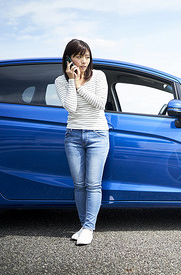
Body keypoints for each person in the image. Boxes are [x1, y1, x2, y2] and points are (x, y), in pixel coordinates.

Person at [55, 39, 109, 245]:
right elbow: (71, 108)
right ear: (69, 59)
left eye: (87, 56)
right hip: (73, 136)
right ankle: (83, 225)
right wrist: (71, 81)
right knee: (79, 185)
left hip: (97, 135)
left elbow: (99, 105)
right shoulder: (60, 81)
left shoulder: (99, 76)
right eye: (79, 56)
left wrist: (80, 86)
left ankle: (88, 228)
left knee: (93, 184)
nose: (84, 61)